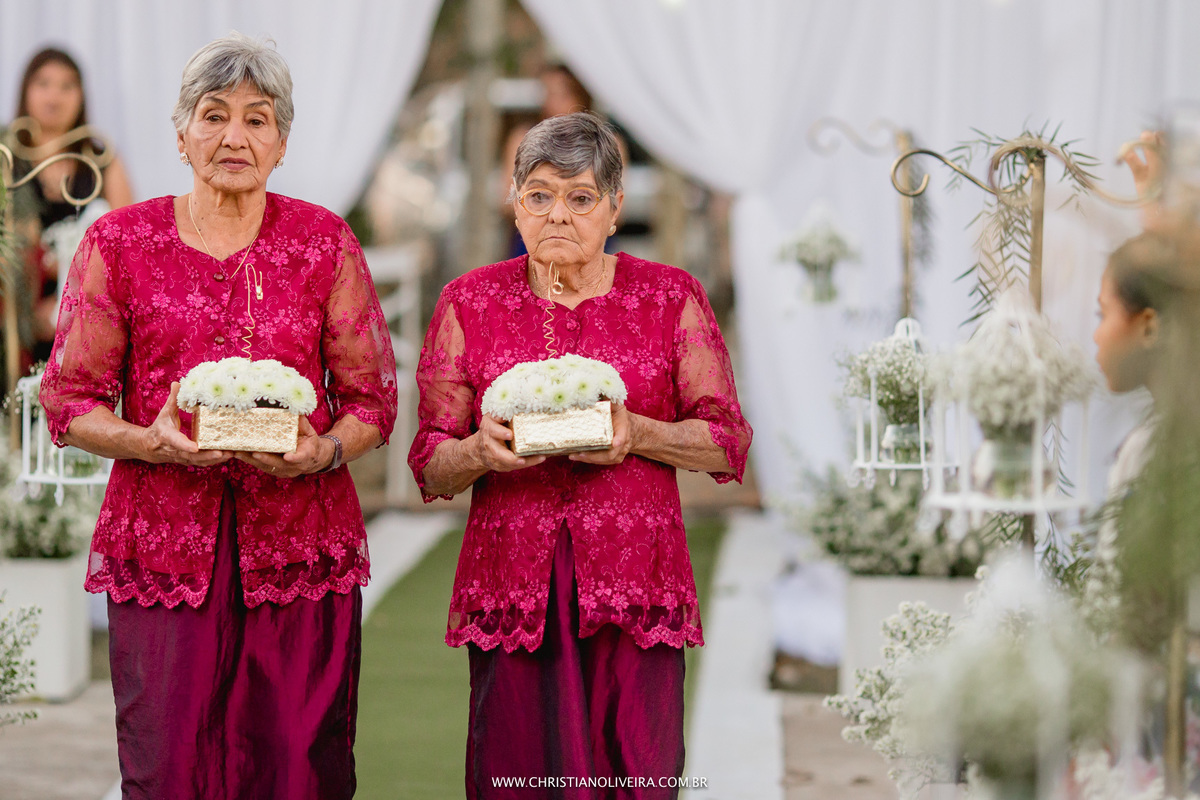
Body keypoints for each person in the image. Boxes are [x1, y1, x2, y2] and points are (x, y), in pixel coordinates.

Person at [38, 33, 397, 799]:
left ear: (282, 141)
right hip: (164, 545)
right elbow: (68, 401)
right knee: (169, 765)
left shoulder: (322, 242)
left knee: (301, 765)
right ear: (180, 134)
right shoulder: (121, 243)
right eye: (214, 114)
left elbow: (373, 400)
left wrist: (324, 451)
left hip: (302, 546)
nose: (235, 136)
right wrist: (149, 441)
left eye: (258, 119)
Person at [410, 111, 752, 798]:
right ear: (514, 201)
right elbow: (429, 458)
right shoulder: (469, 302)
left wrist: (639, 434)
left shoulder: (668, 298)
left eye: (580, 197)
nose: (557, 214)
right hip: (514, 586)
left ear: (616, 208)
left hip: (636, 582)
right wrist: (479, 449)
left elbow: (727, 439)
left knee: (638, 775)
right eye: (539, 195)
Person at [10, 47, 134, 361]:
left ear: (81, 95)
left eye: (67, 86)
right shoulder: (7, 157)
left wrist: (71, 308)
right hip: (16, 322)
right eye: (44, 84)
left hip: (87, 322)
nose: (55, 96)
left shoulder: (101, 158)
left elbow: (130, 245)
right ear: (26, 90)